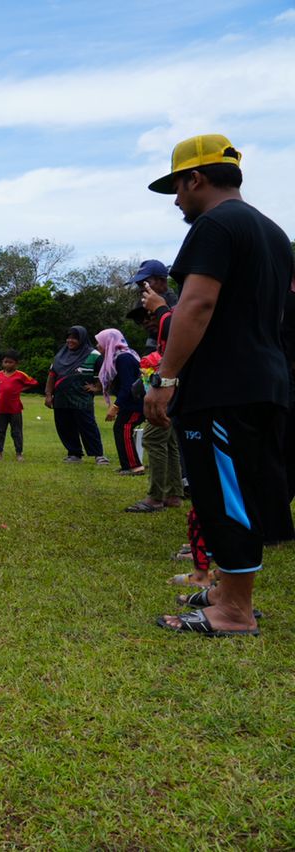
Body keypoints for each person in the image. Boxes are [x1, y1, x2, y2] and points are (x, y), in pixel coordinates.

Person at [144, 134, 293, 637]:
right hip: (264, 380)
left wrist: (165, 377)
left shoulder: (214, 225)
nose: (176, 202)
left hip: (224, 387)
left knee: (224, 495)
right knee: (243, 490)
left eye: (177, 189)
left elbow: (197, 304)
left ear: (196, 178)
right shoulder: (272, 232)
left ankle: (234, 612)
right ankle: (230, 593)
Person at [125, 301, 185, 514]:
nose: (145, 322)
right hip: (174, 394)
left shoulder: (173, 329)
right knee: (169, 442)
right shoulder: (159, 337)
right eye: (140, 320)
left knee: (153, 438)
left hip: (170, 393)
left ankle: (155, 497)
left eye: (148, 316)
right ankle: (173, 494)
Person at [45, 326, 109, 464]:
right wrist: (48, 394)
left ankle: (98, 455)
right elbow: (52, 375)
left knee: (88, 426)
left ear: (82, 339)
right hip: (61, 399)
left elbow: (105, 373)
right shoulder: (60, 355)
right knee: (65, 426)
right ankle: (74, 454)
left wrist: (97, 387)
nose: (70, 340)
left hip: (82, 399)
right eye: (68, 337)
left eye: (74, 338)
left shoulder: (93, 354)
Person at [95, 328, 144, 475]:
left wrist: (116, 406)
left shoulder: (123, 358)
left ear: (108, 342)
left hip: (134, 404)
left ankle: (134, 466)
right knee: (120, 429)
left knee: (124, 428)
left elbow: (128, 386)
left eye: (100, 342)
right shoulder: (119, 356)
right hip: (130, 403)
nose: (97, 346)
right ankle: (127, 465)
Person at [0, 349, 38, 460]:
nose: (7, 364)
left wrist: (20, 389)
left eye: (10, 362)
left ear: (16, 363)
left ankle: (19, 453)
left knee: (16, 432)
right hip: (2, 409)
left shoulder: (20, 375)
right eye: (5, 362)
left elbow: (34, 382)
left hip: (15, 409)